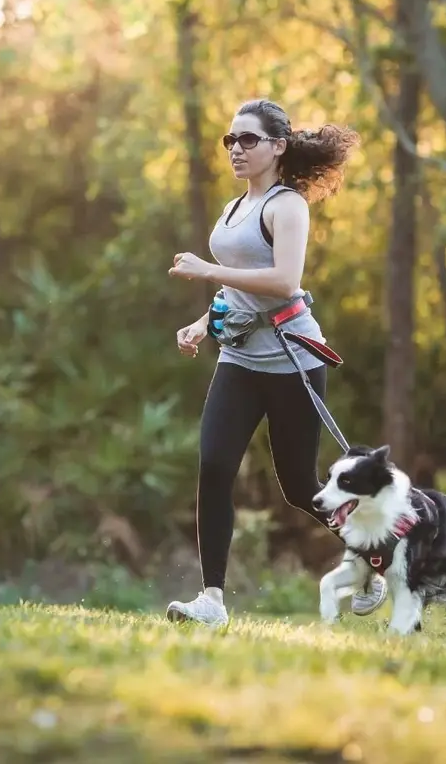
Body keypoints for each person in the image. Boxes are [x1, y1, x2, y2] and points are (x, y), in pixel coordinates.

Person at [164, 98, 387, 626]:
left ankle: (374, 559)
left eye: (248, 140)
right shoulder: (233, 208)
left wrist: (208, 270)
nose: (236, 149)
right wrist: (204, 323)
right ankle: (212, 601)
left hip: (293, 360)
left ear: (278, 146)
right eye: (230, 140)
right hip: (239, 359)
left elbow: (285, 281)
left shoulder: (287, 206)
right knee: (215, 468)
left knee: (298, 485)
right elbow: (238, 292)